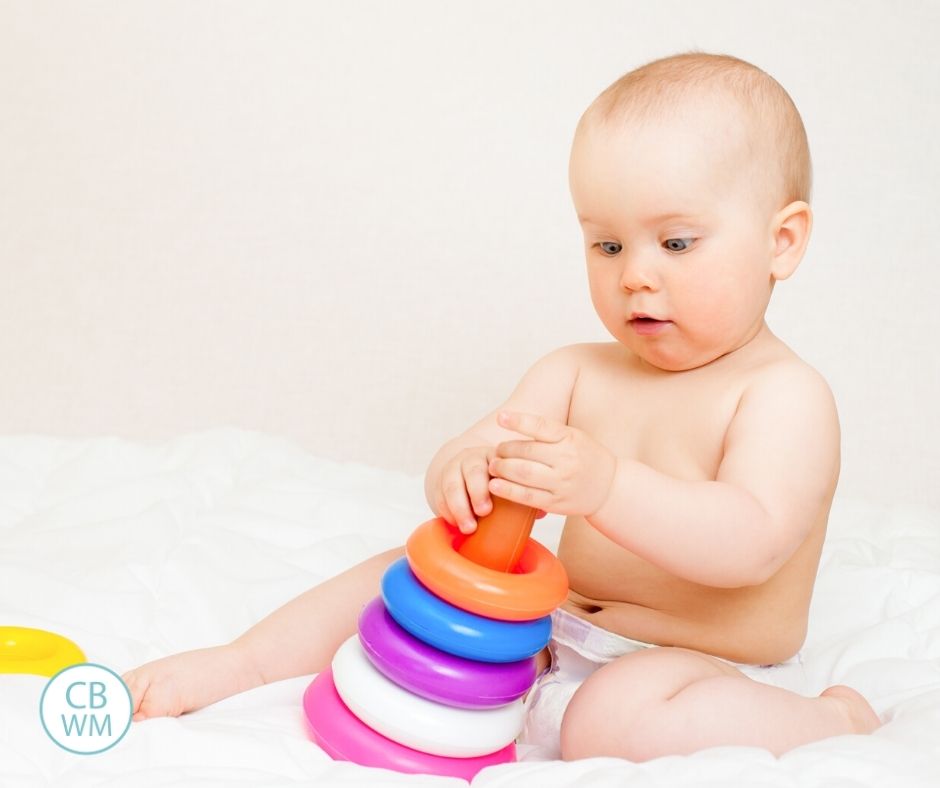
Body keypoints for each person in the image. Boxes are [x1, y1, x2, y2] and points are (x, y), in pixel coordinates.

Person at [121, 51, 881, 761]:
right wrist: (465, 474)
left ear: (782, 242)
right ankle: (243, 663)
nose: (635, 277)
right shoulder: (577, 373)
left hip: (703, 662)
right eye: (607, 246)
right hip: (559, 624)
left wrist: (606, 487)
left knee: (611, 720)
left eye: (676, 244)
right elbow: (471, 453)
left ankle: (830, 719)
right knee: (403, 576)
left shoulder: (784, 395)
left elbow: (749, 544)